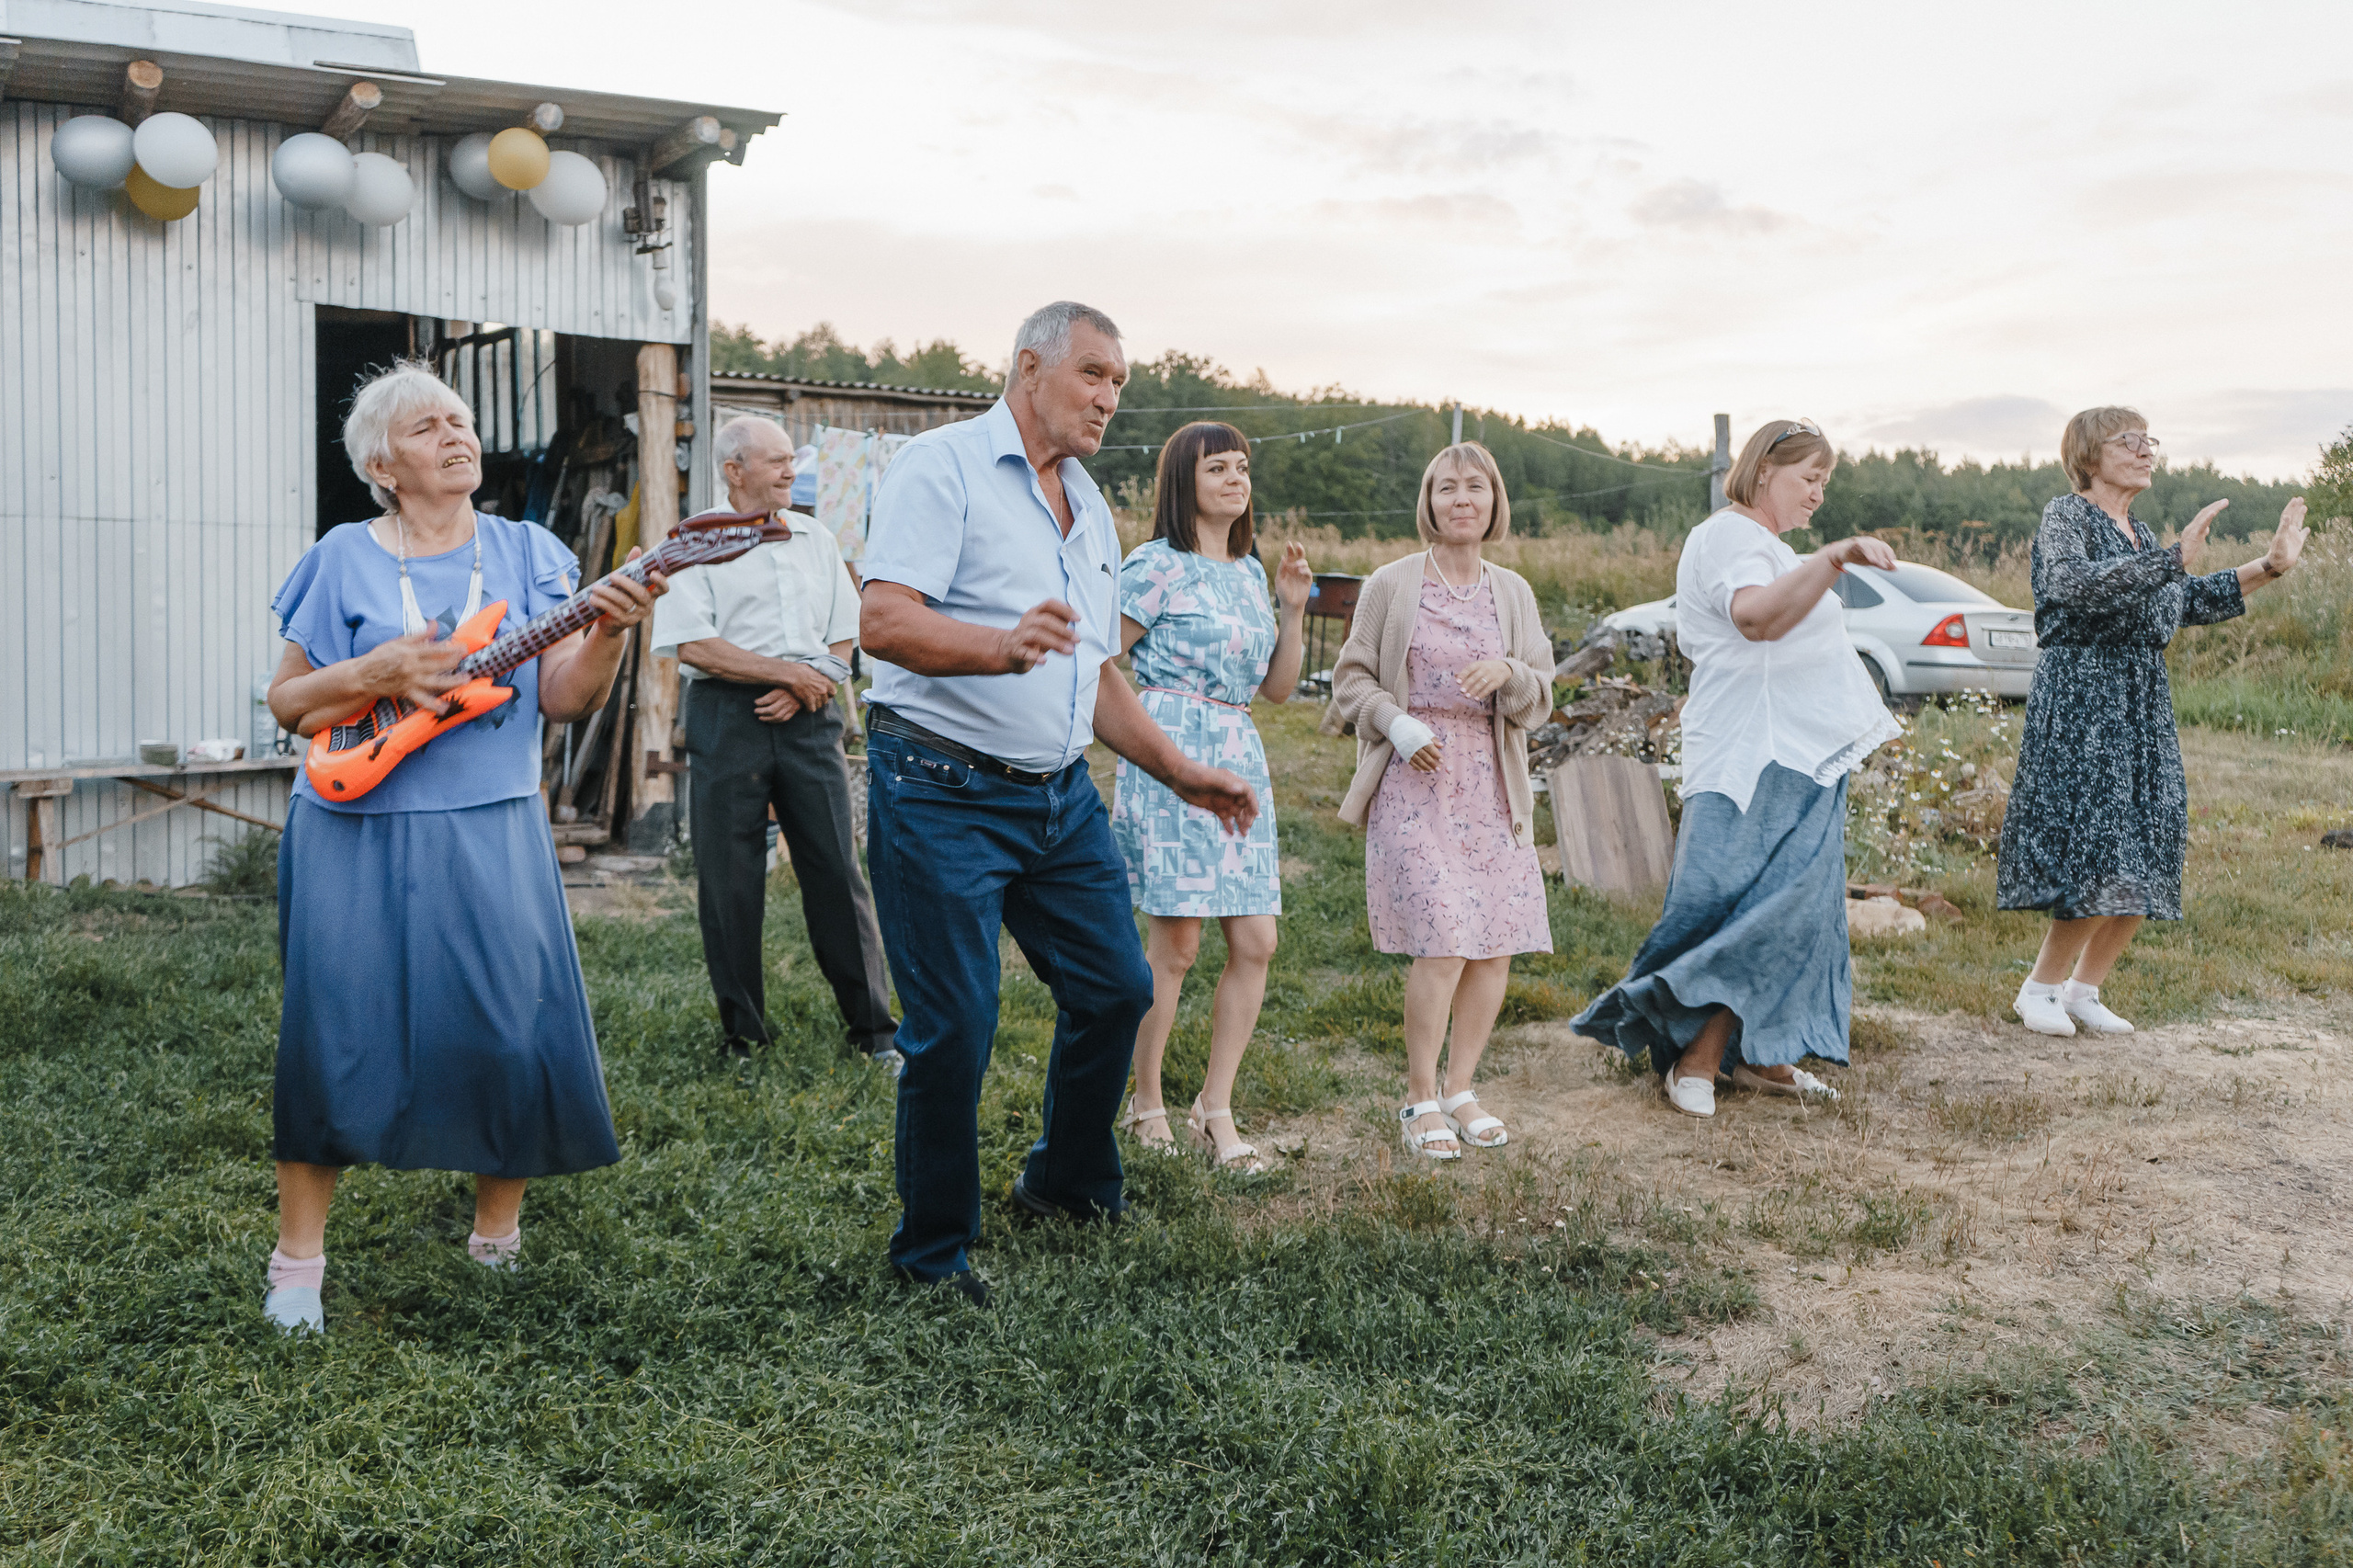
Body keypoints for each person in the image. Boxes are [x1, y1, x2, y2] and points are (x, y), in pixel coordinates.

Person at [858, 301, 1257, 1303]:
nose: (1108, 399)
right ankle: (932, 1255)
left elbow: (1097, 670)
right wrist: (994, 645)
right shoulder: (941, 466)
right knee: (956, 1023)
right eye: (1092, 375)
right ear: (1029, 366)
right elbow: (882, 619)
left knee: (1116, 987)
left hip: (1057, 797)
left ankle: (1068, 1184)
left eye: (1118, 383)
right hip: (940, 784)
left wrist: (1178, 769)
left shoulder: (1088, 502)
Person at [261, 363, 666, 1333]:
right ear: (380, 463)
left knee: (511, 1026)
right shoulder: (342, 556)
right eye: (427, 426)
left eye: (462, 418)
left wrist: (609, 636)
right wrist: (377, 668)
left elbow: (565, 695)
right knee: (336, 1030)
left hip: (494, 816)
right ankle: (297, 1266)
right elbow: (287, 701)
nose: (456, 433)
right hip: (350, 823)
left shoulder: (528, 551)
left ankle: (496, 1235)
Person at [1571, 420, 1899, 1118]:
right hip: (1753, 756)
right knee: (1742, 910)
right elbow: (1755, 620)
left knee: (1800, 910)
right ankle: (1696, 1054)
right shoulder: (1728, 537)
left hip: (1803, 757)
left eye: (1825, 483)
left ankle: (1760, 1053)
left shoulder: (1773, 548)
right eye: (1808, 478)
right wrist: (1835, 557)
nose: (1818, 494)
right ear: (1761, 472)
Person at [1997, 408, 2308, 1035]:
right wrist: (2171, 559)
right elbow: (2071, 586)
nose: (2147, 451)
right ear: (2089, 455)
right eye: (2129, 441)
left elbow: (2186, 600)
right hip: (2085, 694)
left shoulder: (2139, 532)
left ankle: (2085, 990)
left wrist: (2269, 566)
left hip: (2142, 699)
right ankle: (2040, 989)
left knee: (2153, 838)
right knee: (2101, 843)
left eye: (2150, 441)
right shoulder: (2069, 515)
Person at [652, 416, 898, 1067]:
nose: (792, 472)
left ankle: (874, 1032)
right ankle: (744, 1037)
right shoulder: (693, 539)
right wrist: (784, 672)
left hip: (811, 714)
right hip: (727, 714)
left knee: (837, 871)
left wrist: (805, 681)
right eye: (778, 462)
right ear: (735, 470)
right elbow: (693, 643)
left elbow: (846, 632)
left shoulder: (817, 537)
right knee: (729, 879)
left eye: (793, 460)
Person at [1332, 442, 1554, 1160]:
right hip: (1415, 781)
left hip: (1492, 784)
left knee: (1495, 944)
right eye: (1447, 488)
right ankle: (1419, 1097)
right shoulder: (1392, 584)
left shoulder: (1513, 592)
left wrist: (1511, 672)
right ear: (1428, 502)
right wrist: (1396, 724)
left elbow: (1540, 697)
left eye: (1476, 488)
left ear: (1494, 503)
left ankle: (1462, 1088)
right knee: (1445, 937)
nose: (1463, 499)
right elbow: (1350, 681)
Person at [1113, 422, 1313, 1173]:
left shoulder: (1250, 571)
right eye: (1218, 467)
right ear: (1182, 482)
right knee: (1178, 946)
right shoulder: (1153, 566)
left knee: (1256, 940)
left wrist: (1291, 608)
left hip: (1239, 754)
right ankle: (1147, 1102)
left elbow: (1280, 689)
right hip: (1170, 751)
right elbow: (1104, 658)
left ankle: (1214, 1106)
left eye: (1243, 466)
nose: (1237, 478)